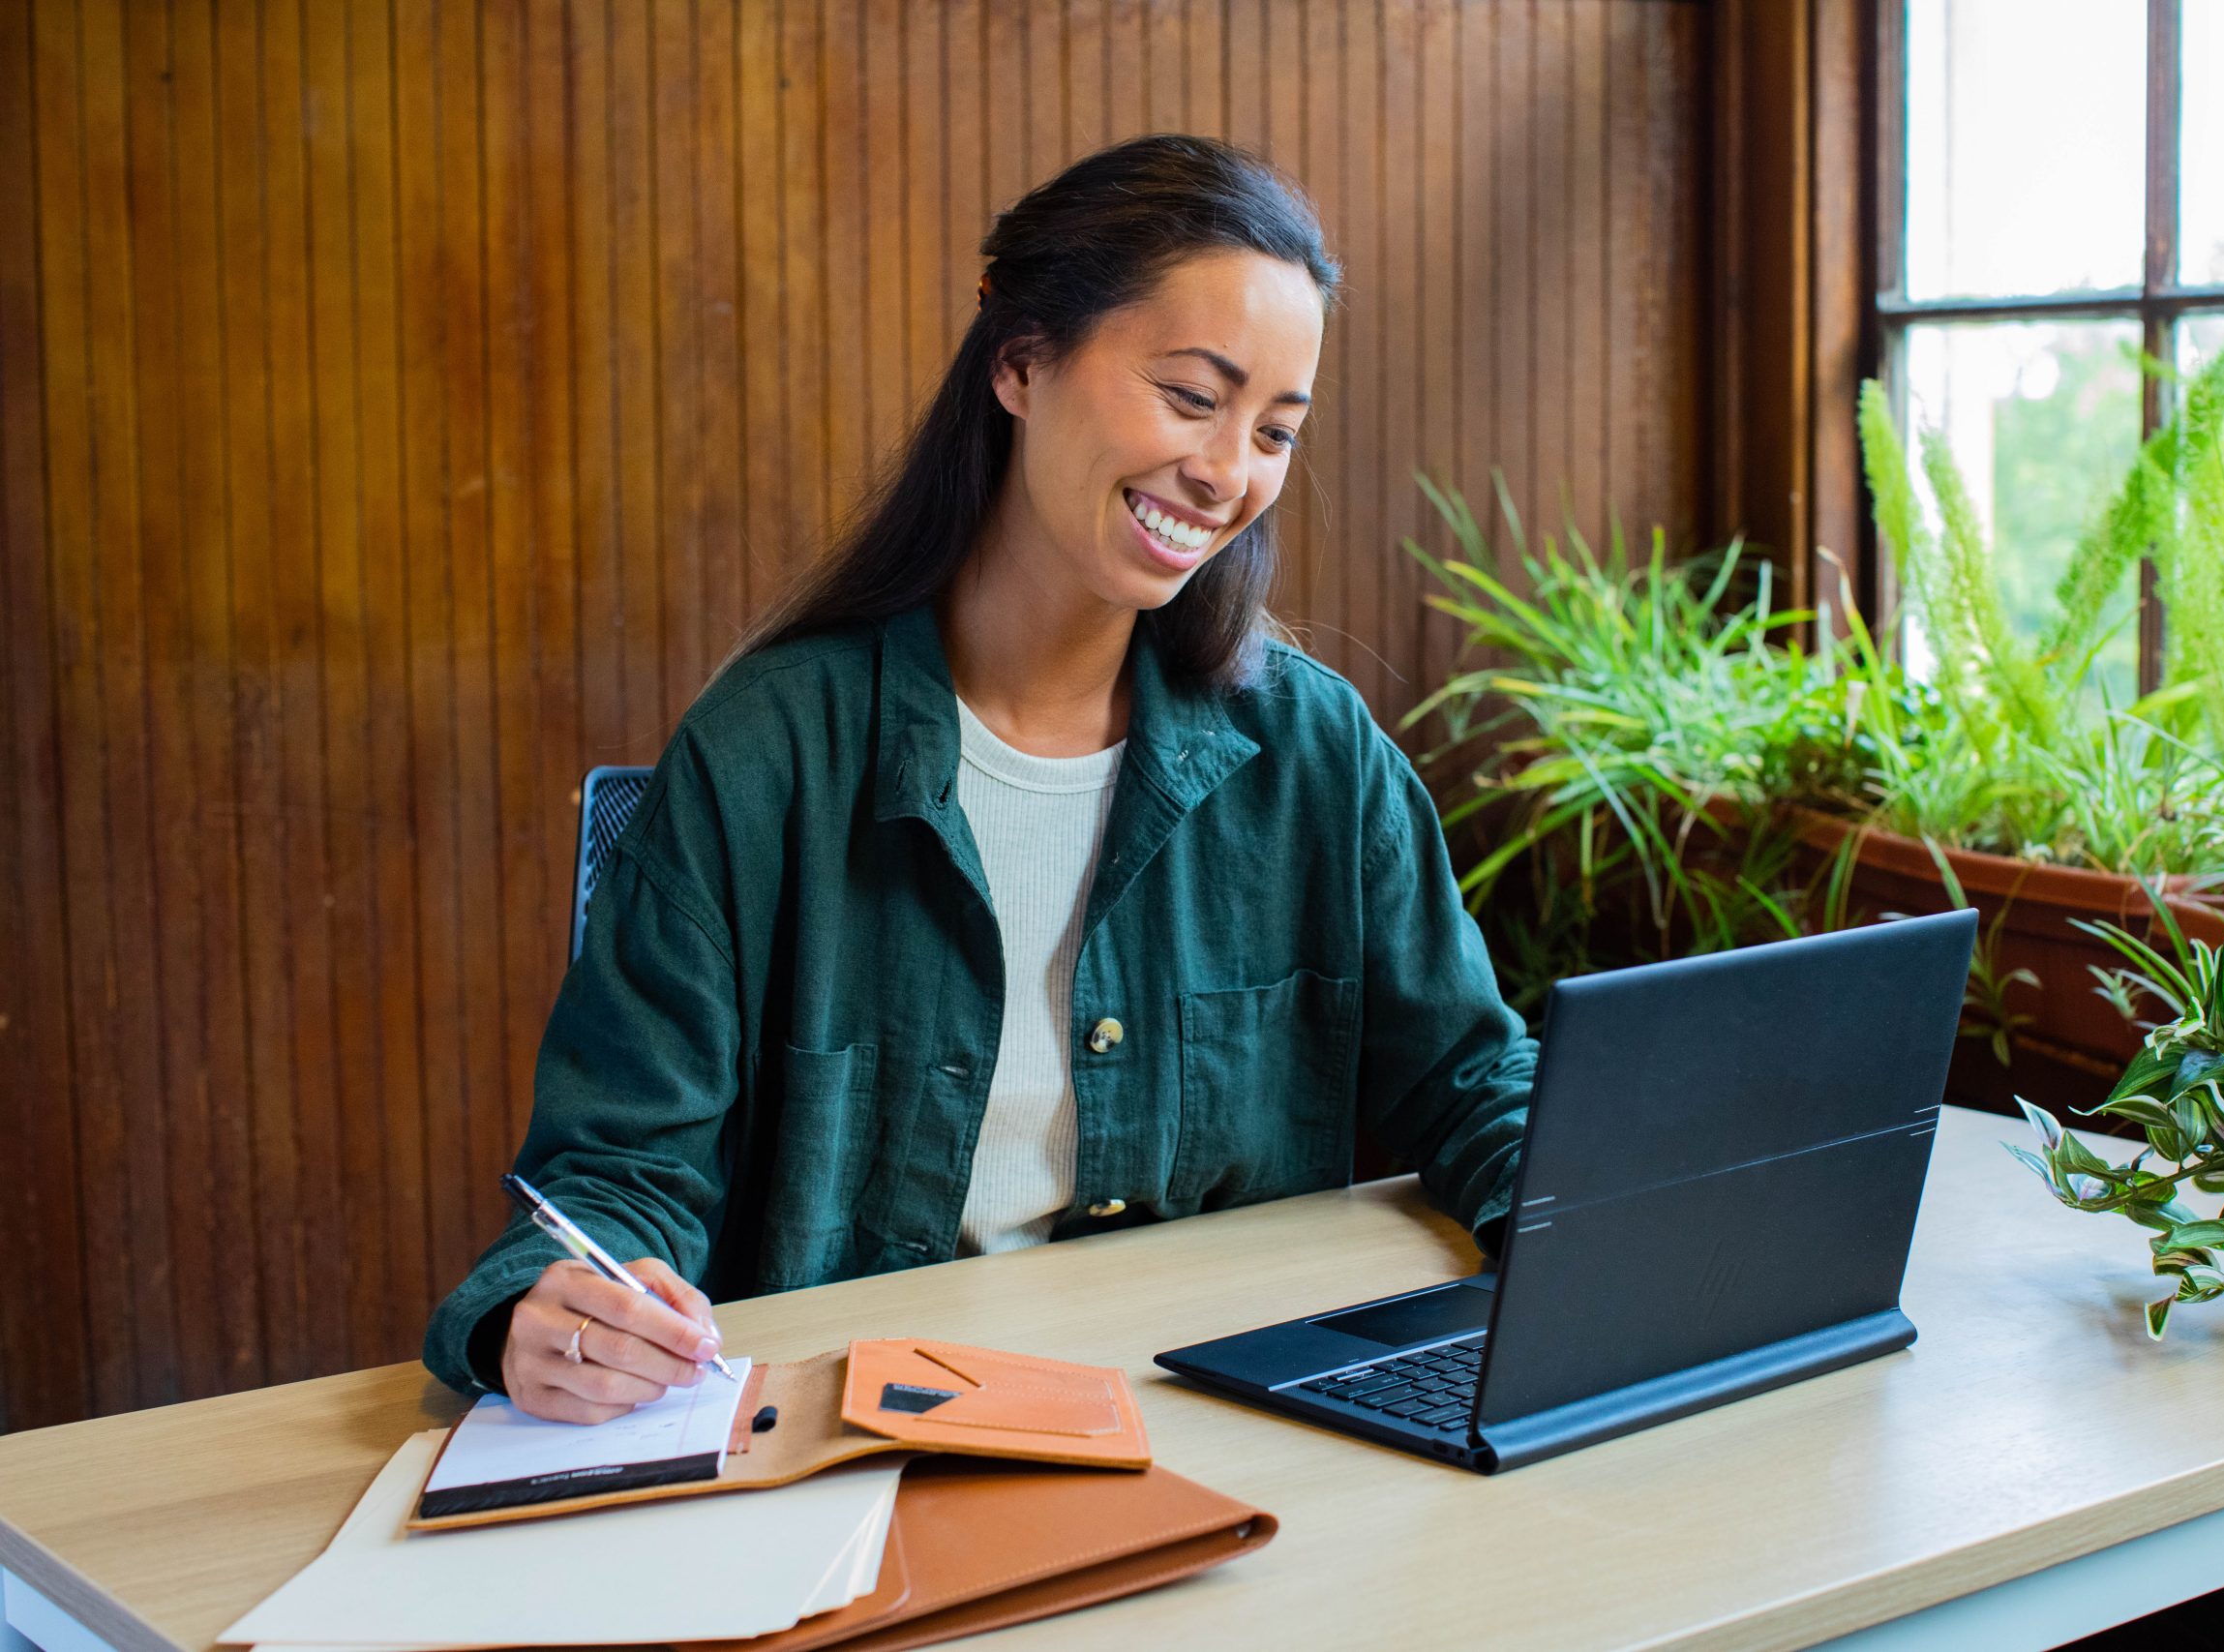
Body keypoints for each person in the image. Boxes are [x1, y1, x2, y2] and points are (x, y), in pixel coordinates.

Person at [421, 134, 1536, 1424]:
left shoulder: (1316, 756)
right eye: (1191, 396)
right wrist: (554, 1305)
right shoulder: (766, 753)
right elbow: (615, 1172)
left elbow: (1470, 1084)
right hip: (864, 1448)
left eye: (1276, 431)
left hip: (1226, 1430)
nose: (1230, 475)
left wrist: (1590, 1232)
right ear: (1020, 364)